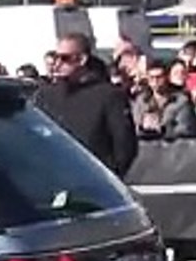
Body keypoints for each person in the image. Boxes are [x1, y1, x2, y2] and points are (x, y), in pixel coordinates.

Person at [32, 32, 138, 177]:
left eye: (65, 58)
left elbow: (125, 145)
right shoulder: (45, 95)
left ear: (81, 59)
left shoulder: (108, 95)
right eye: (55, 57)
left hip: (93, 180)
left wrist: (109, 177)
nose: (57, 64)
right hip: (51, 178)